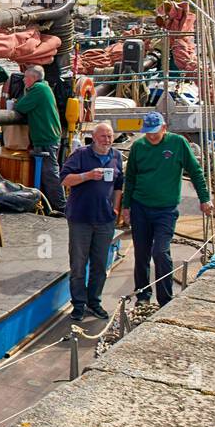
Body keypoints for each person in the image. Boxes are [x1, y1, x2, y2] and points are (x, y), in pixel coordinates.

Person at [121, 111, 212, 306]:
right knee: (141, 254)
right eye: (148, 133)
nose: (152, 136)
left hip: (165, 210)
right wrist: (126, 206)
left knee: (161, 252)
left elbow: (195, 171)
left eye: (155, 132)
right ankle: (143, 296)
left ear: (164, 128)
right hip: (140, 207)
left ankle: (165, 299)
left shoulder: (178, 143)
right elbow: (130, 179)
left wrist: (204, 199)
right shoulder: (138, 146)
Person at [61, 122, 123, 320]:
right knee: (78, 265)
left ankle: (94, 302)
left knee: (99, 265)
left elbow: (119, 184)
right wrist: (87, 175)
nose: (107, 140)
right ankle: (78, 304)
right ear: (94, 138)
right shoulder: (80, 154)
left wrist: (116, 207)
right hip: (80, 218)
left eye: (110, 136)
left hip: (105, 219)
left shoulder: (116, 156)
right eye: (103, 136)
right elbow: (65, 179)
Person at [13, 64, 64, 211]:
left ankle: (61, 207)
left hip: (45, 138)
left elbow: (21, 106)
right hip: (49, 136)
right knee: (48, 173)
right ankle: (51, 205)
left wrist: (18, 101)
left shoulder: (38, 89)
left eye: (26, 78)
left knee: (50, 174)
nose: (23, 81)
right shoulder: (45, 87)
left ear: (34, 78)